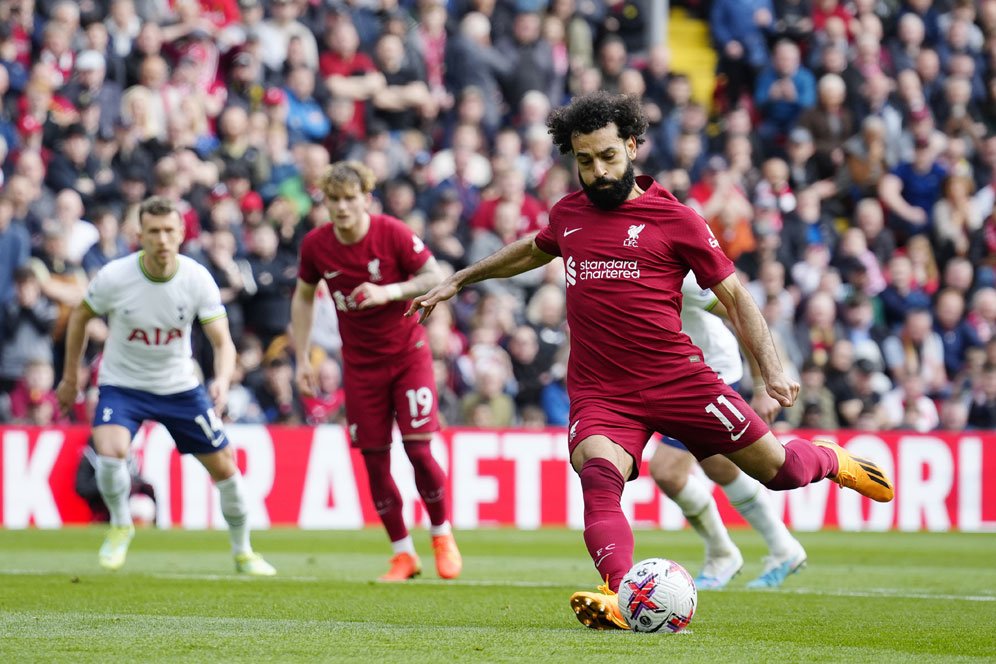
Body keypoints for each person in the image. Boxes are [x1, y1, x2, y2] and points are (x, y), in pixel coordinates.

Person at [409, 92, 893, 630]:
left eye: (608, 156)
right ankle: (620, 594)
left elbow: (735, 296)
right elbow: (532, 249)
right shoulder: (569, 214)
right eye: (584, 160)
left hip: (679, 380)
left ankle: (831, 460)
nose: (596, 171)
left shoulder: (675, 218)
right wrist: (459, 278)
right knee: (597, 474)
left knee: (779, 471)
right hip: (602, 392)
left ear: (633, 146)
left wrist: (772, 370)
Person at [55, 196, 276, 576]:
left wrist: (222, 380)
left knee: (226, 468)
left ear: (181, 234)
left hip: (179, 386)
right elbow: (80, 317)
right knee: (111, 452)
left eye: (169, 231)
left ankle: (243, 551)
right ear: (139, 235)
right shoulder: (114, 276)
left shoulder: (196, 278)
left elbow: (223, 341)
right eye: (153, 231)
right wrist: (70, 376)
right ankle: (121, 524)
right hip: (123, 383)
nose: (161, 239)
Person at [290, 161, 462, 582]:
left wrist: (388, 291)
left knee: (419, 450)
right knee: (374, 461)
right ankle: (403, 553)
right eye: (334, 200)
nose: (342, 207)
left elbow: (434, 275)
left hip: (408, 357)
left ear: (366, 199)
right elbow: (303, 297)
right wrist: (300, 357)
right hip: (360, 367)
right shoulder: (316, 244)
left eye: (350, 199)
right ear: (325, 203)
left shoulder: (393, 233)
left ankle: (441, 534)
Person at [649, 272, 807, 590]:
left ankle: (724, 553)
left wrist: (763, 384)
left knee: (667, 470)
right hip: (676, 372)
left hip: (709, 369)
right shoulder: (618, 267)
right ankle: (783, 548)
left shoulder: (682, 277)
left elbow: (742, 313)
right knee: (718, 465)